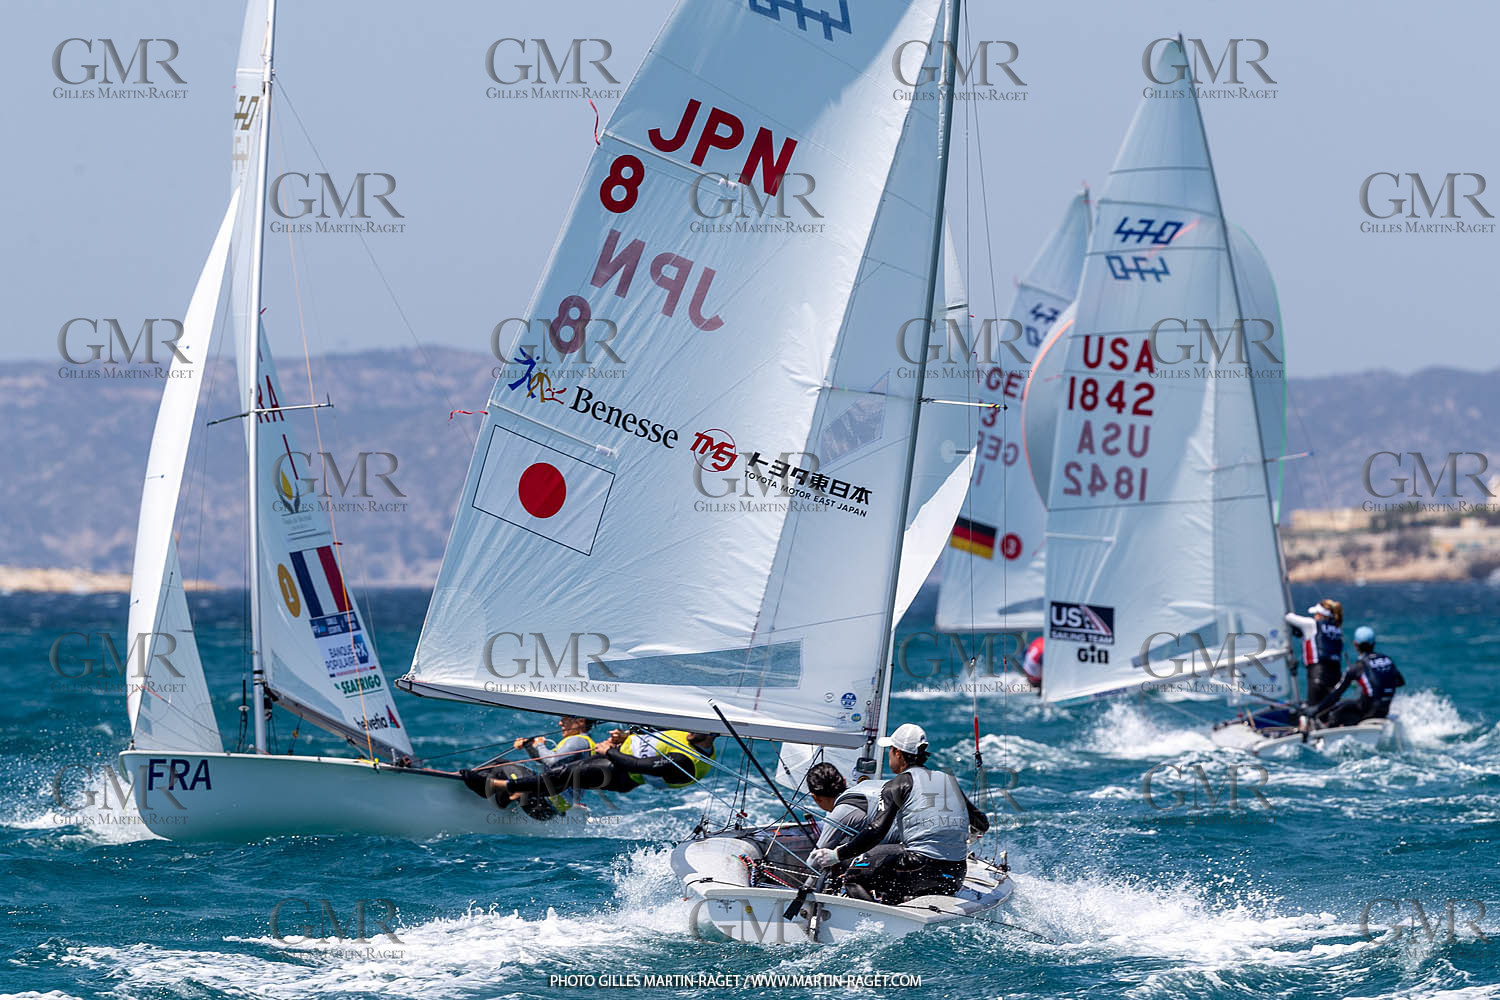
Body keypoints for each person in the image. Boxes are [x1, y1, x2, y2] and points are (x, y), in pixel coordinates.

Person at [807, 723, 989, 905]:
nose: (889, 756)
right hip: (955, 874)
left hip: (920, 867)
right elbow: (982, 823)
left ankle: (874, 923)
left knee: (854, 874)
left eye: (890, 751)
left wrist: (836, 855)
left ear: (898, 754)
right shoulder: (947, 780)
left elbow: (875, 831)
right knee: (890, 869)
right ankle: (892, 904)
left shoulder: (898, 784)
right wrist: (967, 833)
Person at [479, 728, 716, 809]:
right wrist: (626, 736)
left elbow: (636, 764)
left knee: (567, 774)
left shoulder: (686, 761)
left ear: (711, 735)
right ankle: (522, 792)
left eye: (697, 729)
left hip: (624, 774)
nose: (689, 730)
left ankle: (506, 786)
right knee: (566, 776)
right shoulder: (688, 730)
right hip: (618, 764)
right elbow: (654, 737)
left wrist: (608, 751)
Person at [1309, 626, 1405, 728]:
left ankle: (1325, 733)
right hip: (1385, 710)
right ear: (1374, 644)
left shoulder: (1357, 667)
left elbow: (1335, 694)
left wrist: (1315, 709)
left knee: (1339, 707)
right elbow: (1400, 682)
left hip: (1368, 712)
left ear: (1356, 644)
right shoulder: (1387, 660)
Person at [511, 715, 597, 813]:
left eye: (565, 719)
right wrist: (528, 746)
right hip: (557, 804)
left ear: (581, 721)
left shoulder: (578, 741)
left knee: (506, 768)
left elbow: (551, 761)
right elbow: (544, 760)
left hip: (550, 799)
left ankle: (499, 802)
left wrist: (540, 744)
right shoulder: (583, 742)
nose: (560, 723)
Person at [805, 762, 885, 852]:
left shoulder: (840, 813)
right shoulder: (868, 783)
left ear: (815, 797)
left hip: (900, 851)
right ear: (844, 781)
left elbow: (815, 860)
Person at [1285, 598, 1344, 705]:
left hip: (1318, 673)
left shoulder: (1311, 624)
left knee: (1314, 709)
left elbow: (1288, 617)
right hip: (1336, 674)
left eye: (1316, 614)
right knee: (1329, 708)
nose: (1314, 616)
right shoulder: (1337, 628)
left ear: (1321, 615)